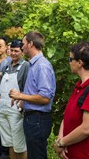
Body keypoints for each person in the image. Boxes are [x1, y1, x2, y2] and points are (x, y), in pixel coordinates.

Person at [53, 41, 89, 159]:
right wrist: (60, 139)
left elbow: (86, 128)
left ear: (79, 63)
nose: (69, 62)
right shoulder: (80, 86)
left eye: (70, 59)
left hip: (87, 155)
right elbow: (67, 116)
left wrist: (62, 143)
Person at [9, 31, 56, 159]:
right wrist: (23, 98)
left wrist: (20, 96)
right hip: (33, 119)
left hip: (37, 120)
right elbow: (36, 91)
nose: (22, 47)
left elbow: (45, 97)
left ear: (30, 44)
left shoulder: (42, 66)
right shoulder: (33, 65)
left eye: (23, 44)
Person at [0, 39, 29, 159]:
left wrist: (21, 105)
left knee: (19, 143)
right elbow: (0, 88)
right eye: (12, 51)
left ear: (22, 52)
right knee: (9, 141)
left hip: (16, 108)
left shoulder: (26, 66)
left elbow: (27, 89)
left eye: (17, 51)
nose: (13, 53)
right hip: (2, 107)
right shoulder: (6, 66)